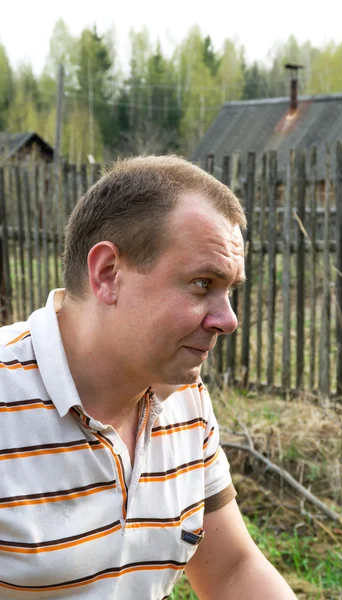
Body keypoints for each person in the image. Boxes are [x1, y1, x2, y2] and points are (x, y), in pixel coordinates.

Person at [0, 156, 297, 599]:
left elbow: (233, 571)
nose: (229, 319)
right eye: (202, 283)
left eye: (230, 289)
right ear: (107, 274)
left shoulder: (185, 400)